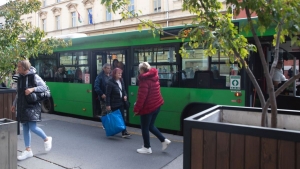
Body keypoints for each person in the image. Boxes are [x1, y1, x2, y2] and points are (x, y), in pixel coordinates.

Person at [10, 59, 52, 161]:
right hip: (22, 106)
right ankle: (28, 150)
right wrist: (14, 104)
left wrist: (32, 89)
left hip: (32, 106)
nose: (17, 68)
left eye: (19, 67)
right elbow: (18, 93)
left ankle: (46, 139)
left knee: (32, 127)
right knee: (25, 126)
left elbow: (44, 87)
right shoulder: (19, 78)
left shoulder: (34, 76)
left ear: (25, 68)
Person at [133, 62, 171, 154]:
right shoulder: (155, 78)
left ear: (142, 70)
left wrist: (136, 109)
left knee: (145, 127)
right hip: (156, 106)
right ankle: (164, 140)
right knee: (150, 126)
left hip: (148, 108)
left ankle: (147, 147)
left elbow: (142, 97)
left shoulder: (144, 80)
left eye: (139, 70)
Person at [106, 68, 131, 138]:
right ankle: (112, 130)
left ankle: (124, 132)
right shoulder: (110, 82)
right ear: (114, 74)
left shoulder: (121, 80)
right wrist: (108, 104)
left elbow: (124, 90)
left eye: (121, 73)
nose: (120, 74)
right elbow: (108, 95)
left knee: (122, 118)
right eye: (119, 73)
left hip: (121, 102)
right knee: (115, 119)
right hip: (114, 103)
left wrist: (125, 95)